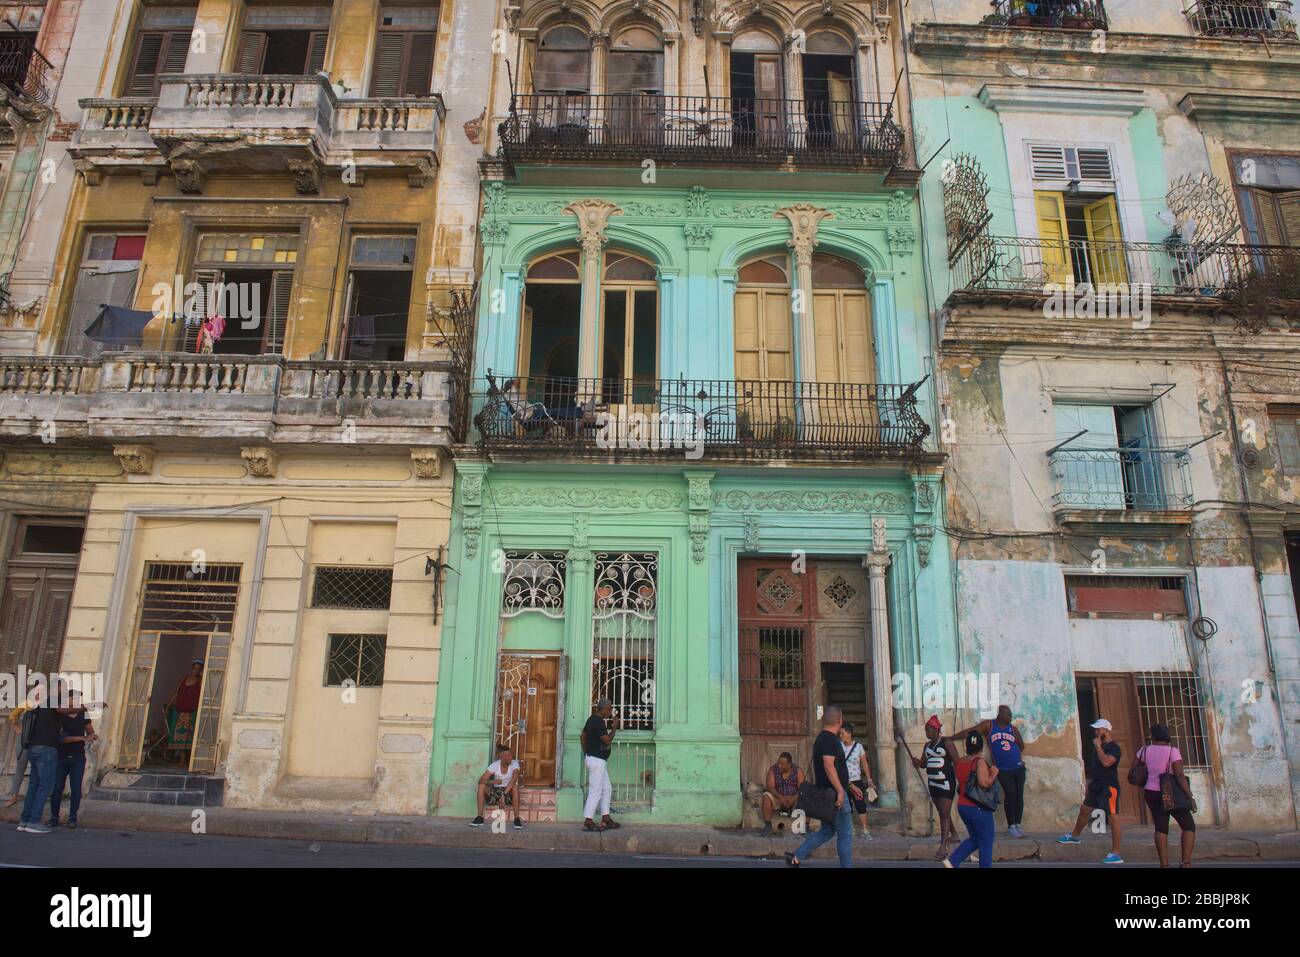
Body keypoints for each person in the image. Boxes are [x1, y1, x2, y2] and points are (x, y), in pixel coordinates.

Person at [786, 705, 853, 868]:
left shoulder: (821, 738)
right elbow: (829, 766)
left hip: (827, 793)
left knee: (828, 830)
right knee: (845, 832)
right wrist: (840, 791)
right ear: (840, 719)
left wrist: (849, 786)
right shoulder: (830, 739)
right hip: (834, 795)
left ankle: (796, 856)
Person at [1057, 718, 1123, 863]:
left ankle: (1116, 853)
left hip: (1108, 787)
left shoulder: (1113, 748)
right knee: (1085, 810)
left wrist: (1098, 747)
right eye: (1096, 729)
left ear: (1107, 730)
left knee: (1113, 817)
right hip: (1096, 785)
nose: (1096, 732)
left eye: (1099, 729)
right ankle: (1074, 836)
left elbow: (1106, 762)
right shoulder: (1098, 745)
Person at [955, 704, 1026, 836]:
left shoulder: (1013, 729)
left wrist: (1014, 756)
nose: (1010, 717)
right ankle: (1011, 826)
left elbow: (1021, 745)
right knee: (1010, 793)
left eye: (1010, 714)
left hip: (1018, 767)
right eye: (1008, 714)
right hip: (1002, 769)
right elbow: (972, 731)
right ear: (1000, 714)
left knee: (1019, 795)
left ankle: (1018, 824)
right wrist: (952, 738)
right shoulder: (990, 725)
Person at [1137, 723, 1197, 868]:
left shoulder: (1144, 750)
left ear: (1153, 736)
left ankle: (1164, 864)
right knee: (1189, 826)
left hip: (1151, 792)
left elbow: (1135, 767)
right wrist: (1190, 796)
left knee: (1161, 828)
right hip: (1171, 793)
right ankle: (1186, 863)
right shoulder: (1173, 751)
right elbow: (1179, 774)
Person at [16, 684, 72, 834]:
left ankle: (24, 820)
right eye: (64, 688)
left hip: (33, 749)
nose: (65, 691)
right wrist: (84, 707)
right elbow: (65, 710)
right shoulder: (54, 700)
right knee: (45, 785)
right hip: (46, 749)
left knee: (34, 785)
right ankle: (33, 821)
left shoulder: (39, 705)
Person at [944, 731, 999, 868]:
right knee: (986, 841)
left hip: (963, 805)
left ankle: (952, 861)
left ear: (967, 746)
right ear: (981, 747)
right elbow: (984, 783)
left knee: (976, 839)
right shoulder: (979, 762)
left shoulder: (960, 762)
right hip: (978, 806)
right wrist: (994, 774)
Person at [909, 714, 960, 860]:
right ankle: (954, 834)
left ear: (936, 730)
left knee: (944, 813)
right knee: (943, 813)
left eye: (928, 730)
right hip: (933, 784)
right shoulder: (927, 745)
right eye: (926, 730)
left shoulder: (947, 742)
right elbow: (924, 764)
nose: (926, 733)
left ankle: (943, 847)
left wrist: (961, 782)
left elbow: (957, 762)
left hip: (946, 783)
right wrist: (917, 762)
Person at [49, 690, 96, 830]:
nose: (75, 700)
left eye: (77, 698)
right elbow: (63, 739)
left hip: (78, 757)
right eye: (72, 698)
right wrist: (83, 738)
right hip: (61, 757)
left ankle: (73, 818)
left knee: (76, 788)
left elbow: (90, 730)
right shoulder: (60, 714)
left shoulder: (83, 713)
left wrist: (92, 736)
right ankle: (54, 818)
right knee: (57, 788)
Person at [581, 699, 620, 832]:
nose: (610, 712)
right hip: (597, 760)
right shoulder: (598, 722)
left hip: (596, 759)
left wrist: (586, 752)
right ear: (602, 709)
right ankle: (588, 821)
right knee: (595, 792)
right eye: (609, 710)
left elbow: (583, 736)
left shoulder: (591, 719)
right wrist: (614, 726)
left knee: (607, 788)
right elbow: (607, 740)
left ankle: (606, 818)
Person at [470, 743, 524, 830]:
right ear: (501, 757)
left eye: (511, 754)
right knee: (481, 786)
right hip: (495, 793)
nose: (511, 757)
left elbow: (514, 779)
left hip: (508, 793)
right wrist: (493, 781)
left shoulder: (515, 764)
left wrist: (504, 794)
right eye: (508, 755)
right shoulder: (495, 765)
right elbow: (481, 780)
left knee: (515, 787)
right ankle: (479, 818)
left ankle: (517, 819)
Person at [839, 723, 876, 840]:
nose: (841, 736)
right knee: (846, 805)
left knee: (860, 805)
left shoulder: (859, 746)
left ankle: (865, 830)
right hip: (843, 781)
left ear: (849, 734)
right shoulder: (839, 746)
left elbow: (864, 763)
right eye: (840, 733)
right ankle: (851, 828)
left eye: (842, 733)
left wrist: (869, 779)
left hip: (856, 780)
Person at [165, 659, 204, 766]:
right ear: (191, 668)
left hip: (192, 712)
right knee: (179, 736)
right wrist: (168, 706)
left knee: (190, 737)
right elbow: (176, 693)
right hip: (180, 711)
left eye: (198, 669)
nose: (195, 671)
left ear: (201, 670)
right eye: (194, 668)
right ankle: (182, 759)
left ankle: (190, 760)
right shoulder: (184, 678)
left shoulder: (200, 681)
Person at [4, 691, 38, 807]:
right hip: (23, 740)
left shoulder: (44, 706)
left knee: (36, 769)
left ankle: (33, 797)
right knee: (21, 766)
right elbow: (12, 715)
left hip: (37, 741)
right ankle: (14, 796)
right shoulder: (26, 703)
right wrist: (16, 728)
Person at [760, 752, 804, 837]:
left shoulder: (798, 771)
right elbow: (770, 787)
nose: (779, 766)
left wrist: (794, 799)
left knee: (806, 796)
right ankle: (768, 826)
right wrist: (781, 797)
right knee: (766, 796)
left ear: (789, 764)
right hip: (778, 798)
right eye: (779, 763)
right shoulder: (773, 770)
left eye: (782, 764)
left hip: (793, 799)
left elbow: (802, 789)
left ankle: (806, 827)